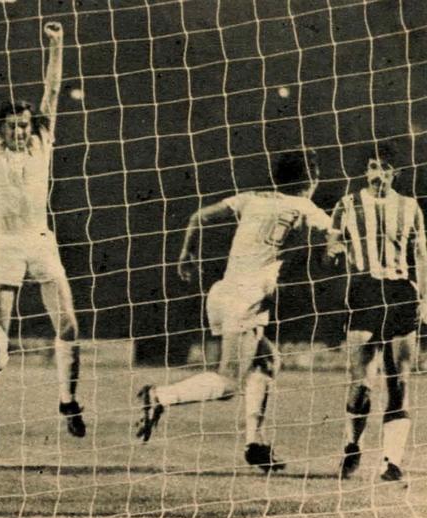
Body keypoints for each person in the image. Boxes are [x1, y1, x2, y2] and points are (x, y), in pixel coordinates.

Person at [136, 151, 331, 473]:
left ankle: (255, 443)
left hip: (223, 291)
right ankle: (159, 396)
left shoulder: (252, 198)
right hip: (247, 299)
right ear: (311, 180)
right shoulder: (307, 208)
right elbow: (334, 241)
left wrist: (187, 253)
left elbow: (198, 217)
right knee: (228, 383)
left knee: (267, 361)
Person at [0, 19, 85, 450]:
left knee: (68, 325)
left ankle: (68, 401)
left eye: (23, 125)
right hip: (3, 243)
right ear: (0, 129)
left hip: (39, 240)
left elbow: (52, 92)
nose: (19, 132)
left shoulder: (41, 142)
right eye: (12, 126)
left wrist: (57, 43)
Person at [327, 143, 426, 482]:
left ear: (395, 173)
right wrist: (334, 250)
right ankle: (352, 445)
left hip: (400, 292)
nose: (377, 174)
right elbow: (332, 241)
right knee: (361, 383)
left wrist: (425, 298)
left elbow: (421, 254)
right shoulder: (347, 204)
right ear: (365, 170)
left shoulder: (409, 206)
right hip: (364, 291)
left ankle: (391, 461)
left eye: (384, 168)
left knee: (399, 382)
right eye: (372, 166)